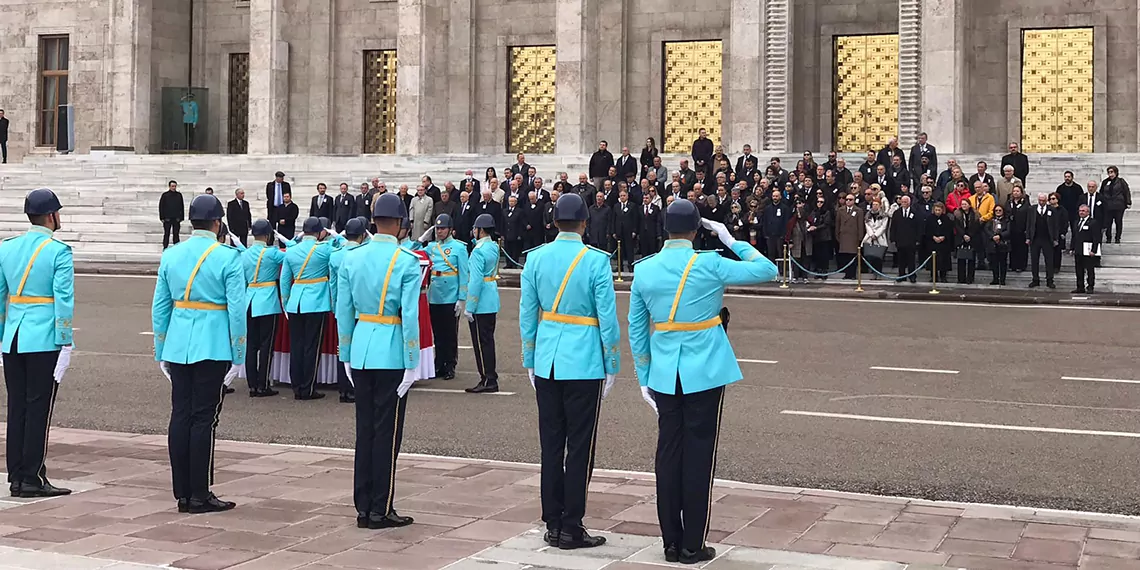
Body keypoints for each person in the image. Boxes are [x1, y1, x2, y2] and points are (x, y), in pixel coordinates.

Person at [627, 199, 777, 565]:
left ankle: (670, 541)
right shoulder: (709, 263)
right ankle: (693, 543)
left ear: (665, 229)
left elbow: (636, 329)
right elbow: (767, 269)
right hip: (705, 370)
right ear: (696, 231)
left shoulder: (644, 270)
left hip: (664, 371)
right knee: (698, 455)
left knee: (667, 454)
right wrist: (730, 239)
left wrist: (644, 375)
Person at [518, 194, 619, 550]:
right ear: (585, 223)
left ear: (553, 222)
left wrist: (529, 358)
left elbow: (527, 313)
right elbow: (607, 317)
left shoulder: (536, 259)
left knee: (550, 444)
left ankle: (553, 520)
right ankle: (572, 524)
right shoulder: (595, 261)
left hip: (548, 359)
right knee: (579, 447)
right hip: (585, 359)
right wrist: (612, 364)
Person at [152, 194, 245, 513]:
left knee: (180, 414)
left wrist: (161, 348)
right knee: (204, 418)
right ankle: (200, 492)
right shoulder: (228, 257)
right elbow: (236, 310)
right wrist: (239, 353)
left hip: (178, 342)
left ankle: (182, 492)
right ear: (218, 223)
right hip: (213, 343)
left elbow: (160, 306)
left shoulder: (172, 254)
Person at [335, 193, 421, 530]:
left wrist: (345, 353)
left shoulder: (352, 258)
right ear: (400, 224)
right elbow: (410, 315)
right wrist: (412, 360)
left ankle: (363, 505)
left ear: (374, 222)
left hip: (361, 346)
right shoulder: (406, 260)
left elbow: (343, 311)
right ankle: (380, 508)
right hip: (391, 349)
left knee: (365, 431)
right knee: (387, 433)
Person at [1, 188, 74, 498]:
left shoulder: (7, 248)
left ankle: (16, 473)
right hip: (43, 337)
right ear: (51, 216)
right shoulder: (58, 252)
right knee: (38, 407)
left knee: (17, 406)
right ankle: (32, 475)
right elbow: (64, 300)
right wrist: (66, 340)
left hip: (13, 337)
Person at [280, 217, 340, 401]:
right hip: (316, 301)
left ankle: (296, 385)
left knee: (296, 346)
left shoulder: (291, 251)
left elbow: (284, 281)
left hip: (295, 302)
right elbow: (343, 252)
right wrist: (336, 236)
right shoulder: (325, 249)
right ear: (320, 232)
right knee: (311, 346)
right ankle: (307, 387)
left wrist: (286, 302)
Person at [240, 219, 285, 399]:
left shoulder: (245, 254)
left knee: (251, 345)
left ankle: (252, 385)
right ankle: (263, 384)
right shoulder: (272, 253)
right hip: (267, 301)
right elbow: (294, 256)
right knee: (266, 345)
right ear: (267, 236)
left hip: (249, 300)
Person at [328, 218, 368, 404]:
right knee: (357, 347)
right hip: (361, 308)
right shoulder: (364, 254)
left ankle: (343, 387)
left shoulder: (336, 255)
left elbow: (333, 285)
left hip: (341, 306)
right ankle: (354, 388)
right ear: (362, 235)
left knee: (342, 346)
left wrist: (336, 305)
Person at [426, 214, 468, 381]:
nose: (439, 231)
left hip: (450, 295)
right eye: (437, 228)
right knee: (437, 333)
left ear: (450, 230)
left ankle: (450, 365)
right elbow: (413, 251)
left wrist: (461, 297)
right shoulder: (432, 247)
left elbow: (464, 274)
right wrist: (420, 239)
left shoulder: (459, 248)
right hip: (435, 295)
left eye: (442, 228)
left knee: (450, 333)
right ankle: (439, 363)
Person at [464, 214, 500, 394]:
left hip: (481, 301)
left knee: (481, 342)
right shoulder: (493, 246)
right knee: (488, 340)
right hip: (491, 298)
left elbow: (475, 281)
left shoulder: (478, 251)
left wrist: (470, 306)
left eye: (475, 229)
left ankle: (487, 378)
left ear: (481, 230)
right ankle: (490, 377)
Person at [1025, 192, 1059, 289]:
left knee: (1049, 260)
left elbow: (1055, 225)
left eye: (1043, 201)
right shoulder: (1032, 209)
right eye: (1040, 200)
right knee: (1034, 260)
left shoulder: (1052, 210)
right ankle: (1035, 279)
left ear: (1046, 200)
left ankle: (1050, 280)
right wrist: (1028, 237)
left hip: (1047, 239)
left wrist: (1055, 238)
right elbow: (1029, 224)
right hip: (1035, 238)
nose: (1042, 202)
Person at [890, 195, 921, 283]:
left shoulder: (915, 213)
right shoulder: (897, 213)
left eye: (905, 202)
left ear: (909, 202)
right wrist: (893, 238)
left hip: (911, 241)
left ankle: (912, 276)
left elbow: (919, 226)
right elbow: (893, 227)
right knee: (901, 260)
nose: (904, 203)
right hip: (900, 240)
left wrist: (918, 239)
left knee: (911, 260)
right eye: (902, 202)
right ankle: (901, 275)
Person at [1071, 204, 1101, 294]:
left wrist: (1094, 250)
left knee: (1089, 269)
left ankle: (1090, 286)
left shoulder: (1093, 222)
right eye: (1080, 211)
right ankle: (1080, 287)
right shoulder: (1077, 222)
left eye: (1083, 211)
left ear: (1088, 212)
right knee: (1079, 270)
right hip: (1078, 250)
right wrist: (1072, 248)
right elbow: (1074, 236)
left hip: (1088, 250)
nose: (1081, 212)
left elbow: (1096, 237)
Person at [835, 193, 864, 279]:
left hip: (853, 237)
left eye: (850, 199)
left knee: (853, 256)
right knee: (845, 256)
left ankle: (852, 274)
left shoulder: (858, 211)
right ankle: (847, 274)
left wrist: (860, 237)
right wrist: (837, 235)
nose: (848, 201)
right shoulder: (841, 210)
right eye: (847, 199)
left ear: (854, 201)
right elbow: (838, 224)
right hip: (843, 236)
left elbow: (860, 225)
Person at [1100, 165, 1131, 244]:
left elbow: (1126, 191)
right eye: (1109, 172)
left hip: (1118, 205)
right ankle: (1108, 237)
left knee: (1118, 222)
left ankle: (1117, 238)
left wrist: (1128, 202)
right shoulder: (1105, 182)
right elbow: (1101, 192)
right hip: (1108, 205)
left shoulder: (1121, 181)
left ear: (1116, 173)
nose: (1110, 174)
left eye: (1112, 172)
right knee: (1108, 222)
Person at [925, 202, 953, 283]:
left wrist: (943, 237)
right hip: (933, 242)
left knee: (943, 260)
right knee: (933, 261)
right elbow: (927, 230)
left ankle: (943, 276)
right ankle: (934, 276)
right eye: (936, 210)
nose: (937, 212)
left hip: (943, 243)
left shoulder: (946, 219)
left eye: (939, 210)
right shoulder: (930, 218)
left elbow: (949, 230)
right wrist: (933, 237)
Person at [955, 200, 981, 284]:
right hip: (961, 238)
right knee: (961, 259)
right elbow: (957, 226)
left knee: (971, 260)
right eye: (962, 204)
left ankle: (970, 278)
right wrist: (963, 235)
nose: (963, 206)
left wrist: (970, 235)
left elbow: (976, 226)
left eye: (965, 204)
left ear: (969, 205)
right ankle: (961, 278)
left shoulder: (975, 214)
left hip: (972, 238)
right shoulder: (957, 214)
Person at [983, 204, 1011, 286]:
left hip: (1003, 244)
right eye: (996, 211)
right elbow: (986, 229)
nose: (998, 212)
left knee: (1002, 263)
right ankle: (995, 278)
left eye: (1000, 210)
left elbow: (1008, 231)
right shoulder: (991, 220)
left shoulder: (1007, 221)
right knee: (994, 263)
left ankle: (1002, 279)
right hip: (992, 244)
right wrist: (993, 236)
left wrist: (1000, 236)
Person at [862, 199, 889, 276]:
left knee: (879, 257)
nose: (875, 206)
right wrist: (871, 234)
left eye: (876, 204)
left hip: (880, 237)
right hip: (869, 237)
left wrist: (876, 235)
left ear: (880, 205)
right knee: (870, 255)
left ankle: (878, 272)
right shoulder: (868, 215)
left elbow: (883, 227)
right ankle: (871, 271)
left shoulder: (884, 215)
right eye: (873, 204)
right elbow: (867, 225)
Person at [160, 180, 185, 249]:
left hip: (176, 218)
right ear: (169, 186)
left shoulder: (179, 195)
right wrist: (162, 217)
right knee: (166, 233)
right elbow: (161, 206)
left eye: (175, 186)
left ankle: (176, 247)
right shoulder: (165, 195)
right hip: (167, 218)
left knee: (176, 234)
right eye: (172, 186)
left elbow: (181, 206)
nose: (174, 188)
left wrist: (181, 217)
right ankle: (165, 247)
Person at [503, 196, 524, 269]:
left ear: (516, 202)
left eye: (512, 201)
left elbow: (521, 223)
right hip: (507, 234)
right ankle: (508, 263)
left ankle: (514, 263)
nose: (511, 203)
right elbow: (503, 223)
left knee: (515, 250)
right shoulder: (505, 211)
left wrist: (520, 234)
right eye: (510, 201)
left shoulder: (519, 211)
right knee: (507, 249)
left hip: (515, 234)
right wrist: (502, 234)